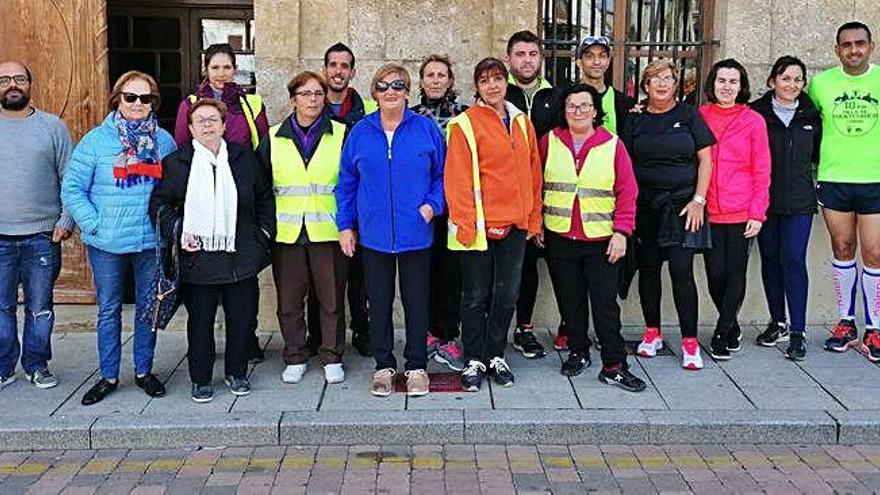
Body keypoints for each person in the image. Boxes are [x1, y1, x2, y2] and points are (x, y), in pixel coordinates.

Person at [62, 71, 177, 405]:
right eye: (131, 97)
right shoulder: (97, 141)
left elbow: (173, 188)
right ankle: (108, 375)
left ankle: (144, 371)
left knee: (147, 308)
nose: (138, 104)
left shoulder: (164, 142)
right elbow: (72, 188)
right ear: (118, 99)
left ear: (153, 102)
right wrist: (92, 224)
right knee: (109, 309)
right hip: (108, 242)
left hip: (148, 240)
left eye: (145, 98)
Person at [150, 99, 274, 402]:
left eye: (213, 119)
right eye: (200, 121)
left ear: (223, 124)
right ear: (190, 128)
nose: (207, 125)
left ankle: (236, 372)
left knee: (241, 319)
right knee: (201, 322)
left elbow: (265, 197)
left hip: (240, 254)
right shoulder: (177, 163)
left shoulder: (244, 158)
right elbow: (159, 204)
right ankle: (201, 378)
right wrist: (178, 229)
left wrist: (264, 236)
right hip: (199, 257)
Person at [335, 64, 445, 397]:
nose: (391, 91)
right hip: (374, 235)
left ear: (408, 92)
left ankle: (415, 367)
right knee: (378, 302)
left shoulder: (425, 129)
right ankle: (384, 365)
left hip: (416, 233)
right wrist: (345, 226)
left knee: (416, 302)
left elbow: (443, 175)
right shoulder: (360, 132)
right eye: (383, 86)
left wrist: (430, 206)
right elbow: (346, 183)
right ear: (374, 93)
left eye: (398, 85)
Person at [446, 57, 543, 392]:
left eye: (498, 78)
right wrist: (466, 223)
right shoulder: (464, 124)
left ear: (506, 82)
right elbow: (456, 180)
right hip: (479, 226)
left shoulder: (522, 122)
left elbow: (533, 173)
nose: (492, 85)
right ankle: (474, 357)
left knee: (507, 294)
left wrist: (534, 218)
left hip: (515, 226)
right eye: (485, 80)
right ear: (476, 86)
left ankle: (495, 353)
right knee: (475, 295)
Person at [541, 84, 645, 391]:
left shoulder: (612, 144)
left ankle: (614, 364)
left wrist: (622, 232)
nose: (578, 111)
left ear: (596, 111)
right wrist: (536, 225)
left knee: (604, 305)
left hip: (601, 239)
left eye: (585, 106)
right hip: (559, 235)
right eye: (572, 106)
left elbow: (628, 192)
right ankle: (578, 351)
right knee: (570, 302)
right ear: (564, 110)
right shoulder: (549, 141)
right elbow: (536, 183)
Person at [173, 43, 270, 364]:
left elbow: (261, 147)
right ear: (206, 70)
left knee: (244, 284)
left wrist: (262, 228)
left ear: (235, 70)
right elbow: (182, 148)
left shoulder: (250, 102)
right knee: (202, 287)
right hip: (203, 194)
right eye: (215, 67)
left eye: (227, 67)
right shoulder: (190, 104)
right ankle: (201, 348)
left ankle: (247, 341)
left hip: (240, 189)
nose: (221, 73)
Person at [620, 60, 715, 370]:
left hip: (683, 207)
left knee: (681, 270)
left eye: (668, 78)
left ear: (676, 84)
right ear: (645, 85)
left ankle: (689, 341)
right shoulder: (635, 119)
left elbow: (706, 160)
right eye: (655, 79)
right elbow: (625, 163)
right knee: (648, 269)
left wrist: (699, 199)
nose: (662, 83)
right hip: (645, 206)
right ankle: (652, 333)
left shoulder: (689, 115)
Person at [258, 72, 349, 385]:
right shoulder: (272, 137)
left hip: (329, 231)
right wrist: (266, 228)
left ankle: (331, 355)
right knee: (289, 301)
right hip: (288, 233)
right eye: (306, 94)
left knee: (332, 299)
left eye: (318, 94)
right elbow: (262, 187)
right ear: (293, 99)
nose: (313, 100)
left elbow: (350, 183)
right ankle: (295, 355)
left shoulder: (340, 133)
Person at [807, 21, 880, 361]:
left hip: (875, 180)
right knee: (842, 247)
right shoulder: (821, 84)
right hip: (835, 178)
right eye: (847, 45)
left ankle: (875, 327)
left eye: (860, 44)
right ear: (837, 49)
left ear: (871, 46)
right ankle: (846, 322)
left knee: (875, 253)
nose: (854, 50)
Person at [0, 61, 73, 390]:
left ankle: (37, 364)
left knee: (40, 307)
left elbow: (70, 178)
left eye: (18, 78)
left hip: (42, 235)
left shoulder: (52, 127)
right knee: (1, 308)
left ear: (30, 84)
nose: (11, 85)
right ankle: (4, 367)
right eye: (3, 80)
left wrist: (67, 219)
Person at [699, 59, 771, 361]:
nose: (726, 87)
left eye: (733, 82)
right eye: (721, 81)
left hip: (742, 210)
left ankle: (722, 330)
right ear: (712, 84)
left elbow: (762, 169)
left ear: (741, 87)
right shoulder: (699, 115)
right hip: (708, 210)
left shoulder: (753, 120)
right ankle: (732, 322)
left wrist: (758, 212)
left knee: (735, 272)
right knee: (715, 273)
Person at [750, 56, 821, 360]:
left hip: (800, 202)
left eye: (797, 79)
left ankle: (798, 331)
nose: (791, 85)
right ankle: (777, 321)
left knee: (792, 260)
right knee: (770, 260)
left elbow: (819, 154)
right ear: (772, 81)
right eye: (785, 78)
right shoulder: (756, 114)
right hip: (765, 201)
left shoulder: (812, 115)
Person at [313, 42, 374, 357]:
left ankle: (364, 332)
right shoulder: (311, 108)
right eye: (333, 65)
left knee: (360, 278)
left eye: (344, 66)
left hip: (359, 207)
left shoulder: (367, 113)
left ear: (353, 72)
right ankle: (317, 337)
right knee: (320, 280)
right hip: (320, 209)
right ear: (325, 69)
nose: (338, 71)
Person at [411, 54, 468, 372]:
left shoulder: (465, 116)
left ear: (450, 81)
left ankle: (448, 335)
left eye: (441, 75)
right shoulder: (410, 116)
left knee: (451, 274)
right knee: (422, 273)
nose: (435, 80)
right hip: (421, 208)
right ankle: (428, 333)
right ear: (421, 81)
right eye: (429, 75)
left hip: (456, 207)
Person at [505, 30, 559, 357]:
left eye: (532, 54)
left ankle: (524, 327)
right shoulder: (499, 93)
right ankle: (491, 327)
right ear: (509, 59)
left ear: (540, 58)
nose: (527, 60)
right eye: (520, 54)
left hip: (548, 193)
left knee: (530, 267)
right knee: (502, 267)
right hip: (507, 195)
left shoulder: (556, 96)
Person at [574, 35, 635, 134]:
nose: (597, 62)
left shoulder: (622, 102)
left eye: (602, 56)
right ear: (579, 62)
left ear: (608, 62)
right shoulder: (566, 98)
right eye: (590, 56)